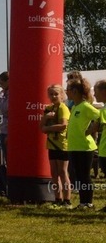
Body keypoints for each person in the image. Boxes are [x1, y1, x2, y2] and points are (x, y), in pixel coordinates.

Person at [66, 79, 99, 209]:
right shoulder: (75, 106)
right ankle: (83, 202)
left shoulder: (85, 106)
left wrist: (91, 130)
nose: (67, 92)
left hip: (85, 147)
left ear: (75, 91)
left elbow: (99, 117)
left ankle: (88, 202)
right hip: (74, 146)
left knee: (84, 176)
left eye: (68, 90)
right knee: (79, 176)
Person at [39, 84, 71, 209]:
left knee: (63, 172)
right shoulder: (49, 109)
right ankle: (57, 198)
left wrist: (48, 128)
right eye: (51, 94)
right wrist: (46, 118)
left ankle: (67, 200)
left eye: (56, 94)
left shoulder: (63, 108)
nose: (53, 96)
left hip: (62, 145)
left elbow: (63, 125)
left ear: (62, 95)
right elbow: (41, 127)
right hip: (51, 144)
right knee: (54, 173)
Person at [0, 72, 9, 166]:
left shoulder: (11, 94)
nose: (0, 85)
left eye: (1, 83)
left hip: (8, 130)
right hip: (3, 129)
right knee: (6, 158)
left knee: (9, 157)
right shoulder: (3, 94)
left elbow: (6, 109)